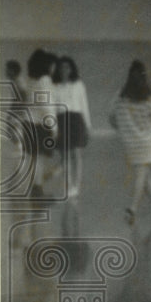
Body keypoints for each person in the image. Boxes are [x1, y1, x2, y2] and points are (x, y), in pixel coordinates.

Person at [109, 61, 151, 224]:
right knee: (141, 175)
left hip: (129, 141)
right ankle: (132, 210)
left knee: (145, 174)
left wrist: (123, 129)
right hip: (146, 141)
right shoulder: (147, 96)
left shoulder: (120, 96)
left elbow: (112, 117)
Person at [52, 55, 92, 199]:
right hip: (61, 120)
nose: (64, 70)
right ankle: (68, 186)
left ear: (71, 69)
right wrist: (53, 127)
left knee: (76, 154)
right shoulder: (54, 86)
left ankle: (77, 185)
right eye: (62, 67)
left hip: (76, 120)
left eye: (67, 67)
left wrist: (88, 125)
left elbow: (84, 104)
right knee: (65, 155)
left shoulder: (78, 85)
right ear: (58, 70)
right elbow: (52, 108)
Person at [24, 49, 60, 197]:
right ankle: (37, 191)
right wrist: (54, 127)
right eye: (53, 65)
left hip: (28, 122)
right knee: (39, 159)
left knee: (34, 159)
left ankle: (36, 190)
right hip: (40, 124)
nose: (54, 68)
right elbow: (46, 106)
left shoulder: (32, 80)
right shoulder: (45, 80)